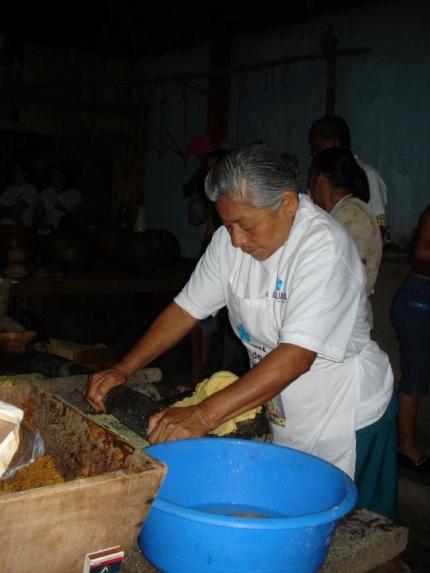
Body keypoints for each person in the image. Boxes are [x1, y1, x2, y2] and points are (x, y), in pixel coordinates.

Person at [85, 144, 396, 518]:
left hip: (347, 408)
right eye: (227, 224)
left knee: (352, 525)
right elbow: (185, 310)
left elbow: (297, 357)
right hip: (282, 401)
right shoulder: (228, 243)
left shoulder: (323, 248)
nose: (235, 240)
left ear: (287, 204)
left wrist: (202, 415)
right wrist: (124, 369)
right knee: (289, 508)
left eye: (246, 225)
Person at [310, 147, 382, 327]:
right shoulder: (341, 214)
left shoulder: (352, 215)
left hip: (345, 322)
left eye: (310, 180)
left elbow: (349, 278)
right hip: (339, 318)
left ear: (320, 180)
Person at [183, 149, 228, 384]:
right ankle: (197, 371)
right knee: (199, 315)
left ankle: (202, 371)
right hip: (208, 251)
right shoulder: (211, 193)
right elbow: (186, 310)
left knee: (208, 321)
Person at [390, 205, 430, 470]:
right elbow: (421, 251)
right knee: (415, 376)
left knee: (420, 375)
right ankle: (405, 447)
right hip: (418, 298)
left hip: (420, 298)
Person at [309, 114, 388, 238]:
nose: (313, 153)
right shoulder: (321, 175)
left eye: (316, 147)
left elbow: (379, 228)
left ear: (334, 143)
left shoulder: (368, 175)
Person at [38, 165, 82, 233]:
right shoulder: (45, 192)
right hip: (47, 232)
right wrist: (41, 223)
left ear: (65, 177)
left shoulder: (74, 194)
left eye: (56, 175)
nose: (53, 178)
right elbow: (39, 213)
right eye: (52, 175)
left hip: (67, 233)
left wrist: (64, 209)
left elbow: (78, 216)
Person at [0, 160, 38, 226]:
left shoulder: (30, 189)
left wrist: (4, 211)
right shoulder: (9, 188)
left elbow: (17, 209)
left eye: (16, 170)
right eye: (13, 170)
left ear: (25, 173)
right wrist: (12, 216)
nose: (13, 173)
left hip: (21, 229)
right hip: (3, 228)